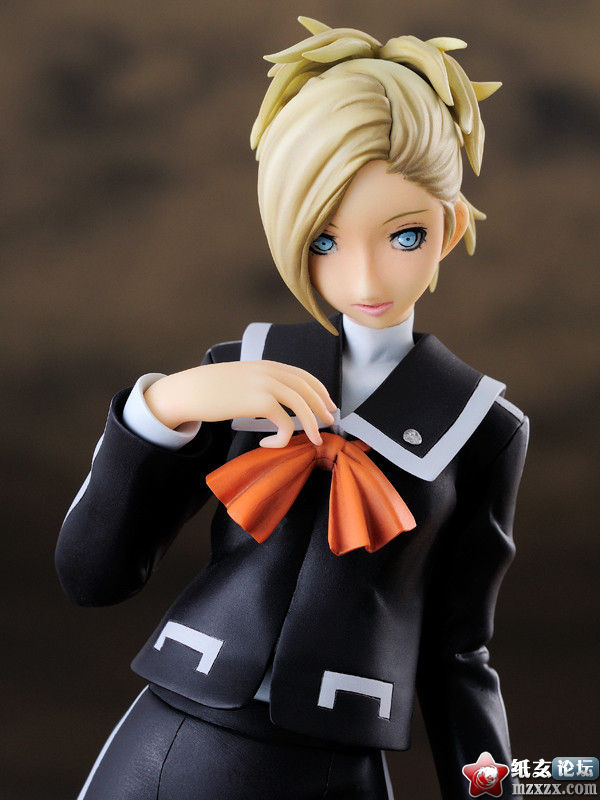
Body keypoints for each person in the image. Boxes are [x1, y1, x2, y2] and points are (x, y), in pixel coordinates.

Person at [56, 17, 528, 799]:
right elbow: (91, 573)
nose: (366, 276)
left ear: (447, 228)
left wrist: (492, 790)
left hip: (338, 752)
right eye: (325, 240)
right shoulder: (243, 372)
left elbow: (459, 653)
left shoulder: (481, 428)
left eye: (404, 236)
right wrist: (162, 405)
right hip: (179, 727)